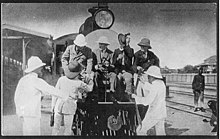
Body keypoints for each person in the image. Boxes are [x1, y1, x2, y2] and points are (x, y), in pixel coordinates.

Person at [14, 56, 69, 135]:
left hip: (24, 114)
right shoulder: (36, 80)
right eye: (40, 67)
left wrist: (19, 111)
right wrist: (66, 95)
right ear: (35, 69)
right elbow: (50, 90)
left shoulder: (23, 80)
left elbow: (17, 97)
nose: (41, 69)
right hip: (33, 114)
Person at [51, 60, 93, 135]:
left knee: (56, 127)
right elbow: (89, 89)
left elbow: (55, 93)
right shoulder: (79, 83)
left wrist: (53, 107)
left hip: (59, 104)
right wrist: (90, 80)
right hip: (69, 105)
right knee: (67, 128)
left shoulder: (61, 79)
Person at [132, 66, 167, 135]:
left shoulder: (155, 85)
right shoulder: (161, 84)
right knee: (161, 133)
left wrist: (136, 98)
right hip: (161, 113)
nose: (148, 78)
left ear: (152, 76)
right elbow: (152, 90)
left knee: (140, 131)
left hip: (154, 114)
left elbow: (147, 101)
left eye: (149, 76)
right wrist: (144, 83)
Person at [93, 36, 117, 101]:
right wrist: (97, 67)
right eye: (99, 44)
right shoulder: (95, 52)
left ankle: (112, 91)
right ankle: (96, 94)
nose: (99, 45)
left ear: (105, 45)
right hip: (99, 72)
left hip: (107, 72)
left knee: (113, 75)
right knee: (95, 75)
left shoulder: (110, 53)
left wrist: (108, 65)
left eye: (101, 44)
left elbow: (113, 65)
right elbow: (93, 64)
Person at [112, 33, 134, 98]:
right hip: (118, 70)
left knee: (128, 79)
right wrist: (118, 58)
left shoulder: (130, 50)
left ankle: (128, 95)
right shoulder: (116, 51)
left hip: (127, 70)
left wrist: (126, 46)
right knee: (118, 80)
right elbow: (113, 63)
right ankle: (118, 96)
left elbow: (130, 55)